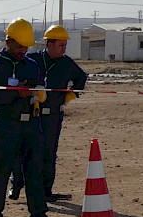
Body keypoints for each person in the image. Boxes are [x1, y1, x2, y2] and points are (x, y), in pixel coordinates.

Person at [0, 19, 54, 217]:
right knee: (0, 173)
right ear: (8, 41)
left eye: (26, 47)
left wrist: (40, 94)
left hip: (31, 126)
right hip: (6, 127)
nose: (23, 50)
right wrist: (14, 94)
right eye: (19, 46)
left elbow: (41, 88)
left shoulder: (31, 65)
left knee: (34, 174)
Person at [11, 23, 88, 202]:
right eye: (60, 45)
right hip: (31, 114)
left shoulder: (67, 63)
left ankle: (46, 191)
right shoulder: (32, 60)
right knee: (21, 150)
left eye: (65, 45)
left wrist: (71, 94)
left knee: (48, 153)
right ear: (49, 44)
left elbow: (81, 78)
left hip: (53, 116)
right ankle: (16, 185)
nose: (63, 48)